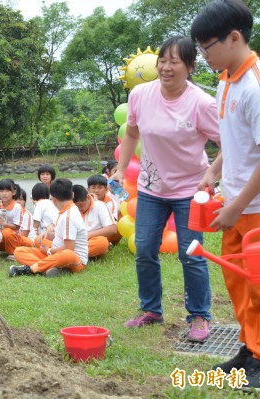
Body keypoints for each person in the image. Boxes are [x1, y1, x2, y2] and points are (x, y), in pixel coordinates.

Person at [110, 35, 220, 342]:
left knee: (191, 254)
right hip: (151, 188)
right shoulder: (142, 95)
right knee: (144, 249)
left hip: (189, 190)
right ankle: (151, 311)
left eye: (174, 62)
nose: (166, 67)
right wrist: (120, 170)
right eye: (162, 60)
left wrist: (212, 173)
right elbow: (131, 132)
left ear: (190, 67)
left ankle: (199, 316)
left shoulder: (202, 103)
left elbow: (228, 143)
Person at [192, 0, 260, 387]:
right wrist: (213, 170)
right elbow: (235, 144)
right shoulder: (225, 80)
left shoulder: (255, 86)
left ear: (235, 38)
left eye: (207, 47)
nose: (204, 56)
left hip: (254, 209)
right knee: (238, 284)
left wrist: (236, 206)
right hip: (236, 203)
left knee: (258, 288)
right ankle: (248, 349)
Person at [9, 178, 88, 278]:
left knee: (67, 254)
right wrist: (48, 235)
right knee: (19, 251)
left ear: (53, 199)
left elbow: (69, 249)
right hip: (56, 253)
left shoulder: (69, 216)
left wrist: (49, 251)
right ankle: (54, 268)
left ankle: (32, 269)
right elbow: (62, 235)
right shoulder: (64, 211)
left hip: (75, 259)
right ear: (72, 195)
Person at [72, 185, 117, 258]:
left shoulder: (99, 206)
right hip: (73, 242)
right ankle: (73, 256)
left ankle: (71, 257)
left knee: (101, 243)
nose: (79, 209)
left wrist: (88, 235)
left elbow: (112, 229)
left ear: (88, 197)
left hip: (91, 241)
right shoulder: (70, 209)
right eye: (76, 206)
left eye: (81, 205)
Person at [0, 179, 23, 260]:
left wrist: (5, 224)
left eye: (7, 191)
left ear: (13, 192)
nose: (4, 193)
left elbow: (17, 227)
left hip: (12, 239)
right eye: (2, 191)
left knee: (6, 231)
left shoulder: (17, 207)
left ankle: (12, 253)